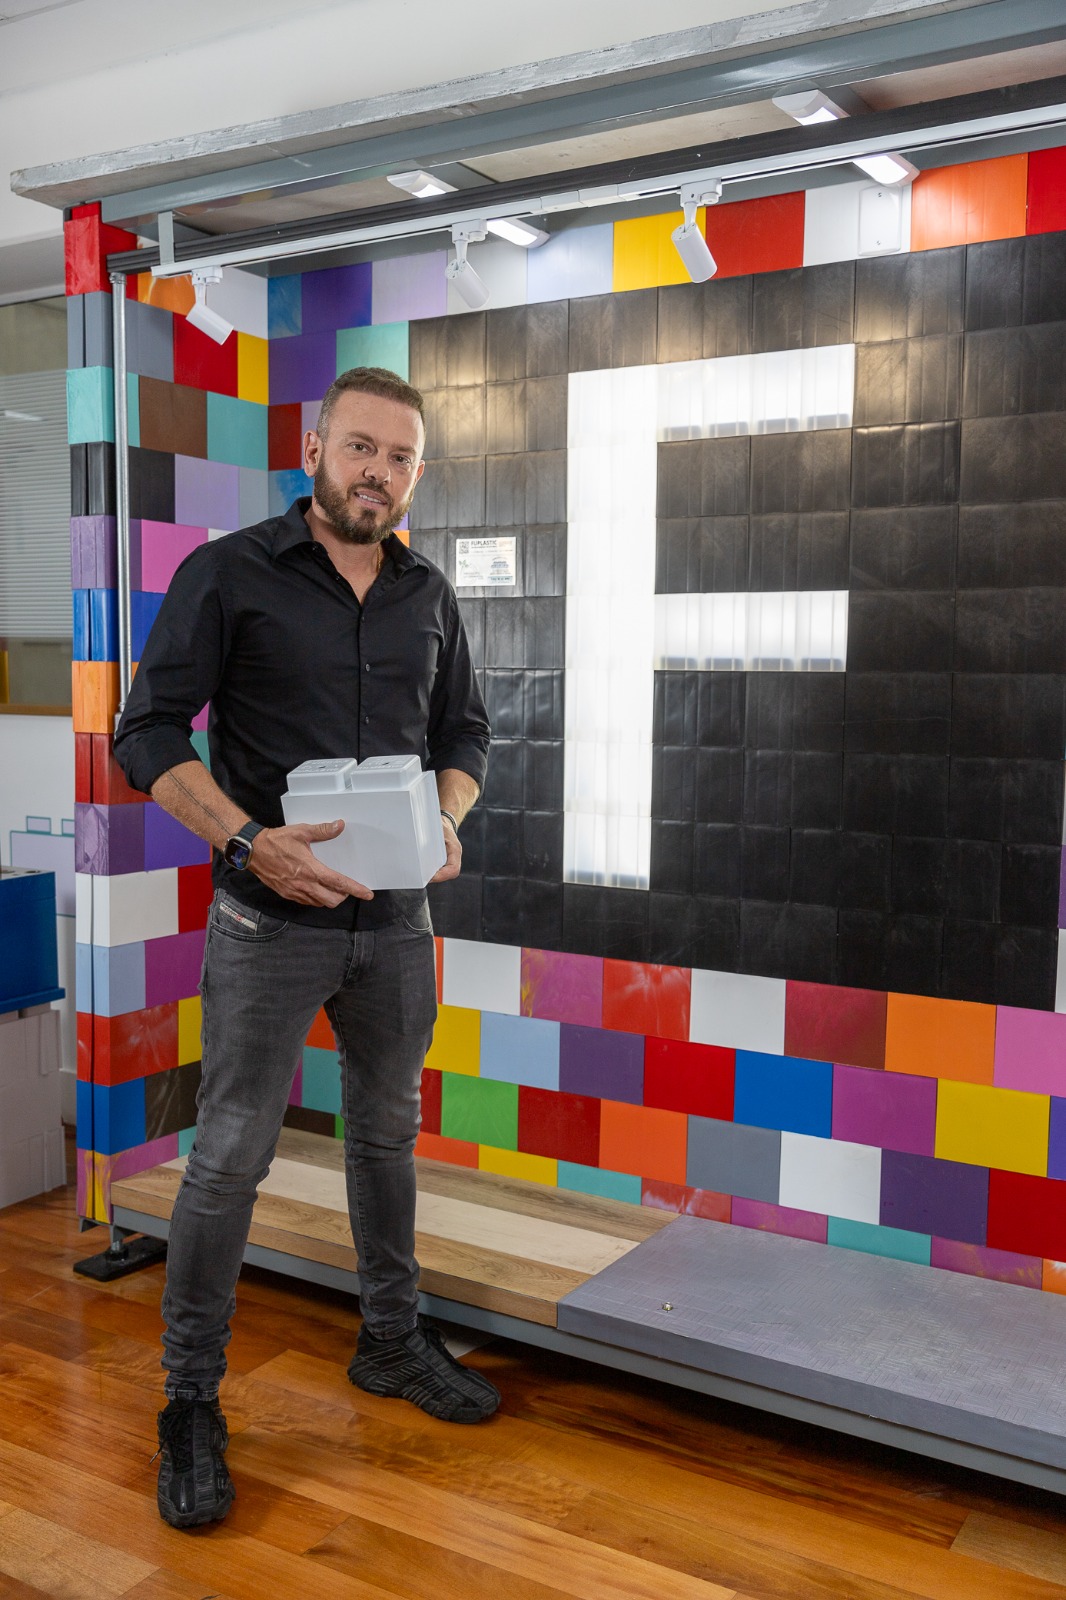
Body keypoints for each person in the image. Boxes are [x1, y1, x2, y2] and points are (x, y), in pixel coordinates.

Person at [114, 366, 497, 1531]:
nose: (378, 471)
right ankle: (190, 1399)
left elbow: (466, 732)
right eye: (361, 446)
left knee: (386, 1135)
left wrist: (446, 816)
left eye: (401, 456)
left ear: (415, 475)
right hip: (267, 919)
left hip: (396, 924)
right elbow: (144, 730)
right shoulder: (229, 571)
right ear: (316, 448)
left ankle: (390, 1339)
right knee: (230, 1156)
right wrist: (246, 841)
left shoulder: (428, 592)